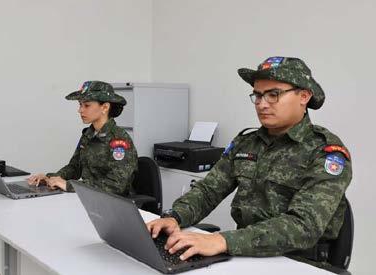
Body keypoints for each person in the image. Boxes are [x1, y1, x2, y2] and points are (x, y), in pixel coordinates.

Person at [146, 56, 352, 269]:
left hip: (300, 263)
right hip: (245, 255)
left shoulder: (326, 152)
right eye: (258, 95)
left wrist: (222, 240)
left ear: (304, 96)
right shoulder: (246, 143)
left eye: (274, 95)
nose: (262, 104)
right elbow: (209, 191)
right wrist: (174, 217)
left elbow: (304, 226)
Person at [28, 81, 138, 196]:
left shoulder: (119, 140)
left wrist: (69, 185)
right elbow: (75, 167)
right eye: (80, 104)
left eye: (86, 105)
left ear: (105, 107)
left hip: (114, 204)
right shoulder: (88, 135)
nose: (80, 110)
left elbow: (116, 185)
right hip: (89, 197)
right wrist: (50, 178)